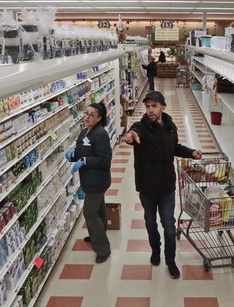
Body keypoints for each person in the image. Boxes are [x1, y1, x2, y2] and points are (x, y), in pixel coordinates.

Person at [124, 91, 202, 279]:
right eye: (148, 106)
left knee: (168, 224)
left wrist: (191, 152)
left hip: (167, 186)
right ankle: (155, 250)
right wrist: (130, 135)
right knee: (151, 224)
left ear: (162, 107)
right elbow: (134, 132)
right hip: (147, 187)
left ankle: (170, 259)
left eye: (154, 106)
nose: (150, 110)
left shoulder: (170, 126)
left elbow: (174, 147)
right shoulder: (141, 126)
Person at [66, 102, 113, 263]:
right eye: (87, 113)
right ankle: (98, 234)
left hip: (97, 181)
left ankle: (103, 248)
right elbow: (82, 150)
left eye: (92, 115)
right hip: (89, 179)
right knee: (99, 209)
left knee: (90, 213)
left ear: (99, 118)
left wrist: (85, 161)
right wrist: (74, 155)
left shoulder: (100, 134)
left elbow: (105, 160)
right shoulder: (85, 131)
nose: (87, 117)